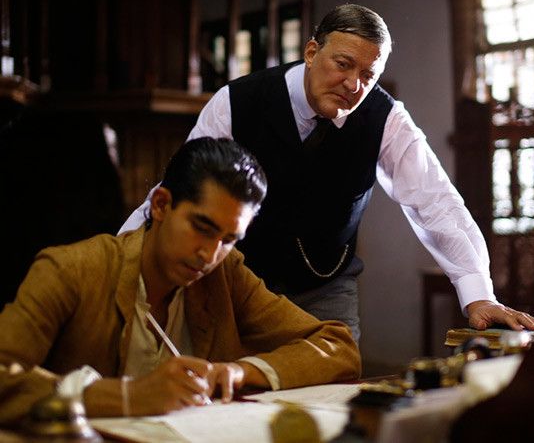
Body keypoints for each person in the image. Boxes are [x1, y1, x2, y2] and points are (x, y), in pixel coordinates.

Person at [120, 3, 534, 342]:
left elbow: (435, 201)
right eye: (343, 64)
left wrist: (478, 295)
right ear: (311, 52)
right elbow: (178, 189)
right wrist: (120, 264)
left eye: (368, 75)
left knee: (334, 396)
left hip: (326, 290)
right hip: (235, 285)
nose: (353, 84)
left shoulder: (385, 118)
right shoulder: (237, 102)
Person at [0, 137, 360, 425]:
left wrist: (241, 372)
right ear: (160, 205)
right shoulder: (72, 269)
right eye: (202, 227)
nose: (209, 254)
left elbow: (337, 345)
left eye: (229, 239)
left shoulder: (225, 274)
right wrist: (127, 396)